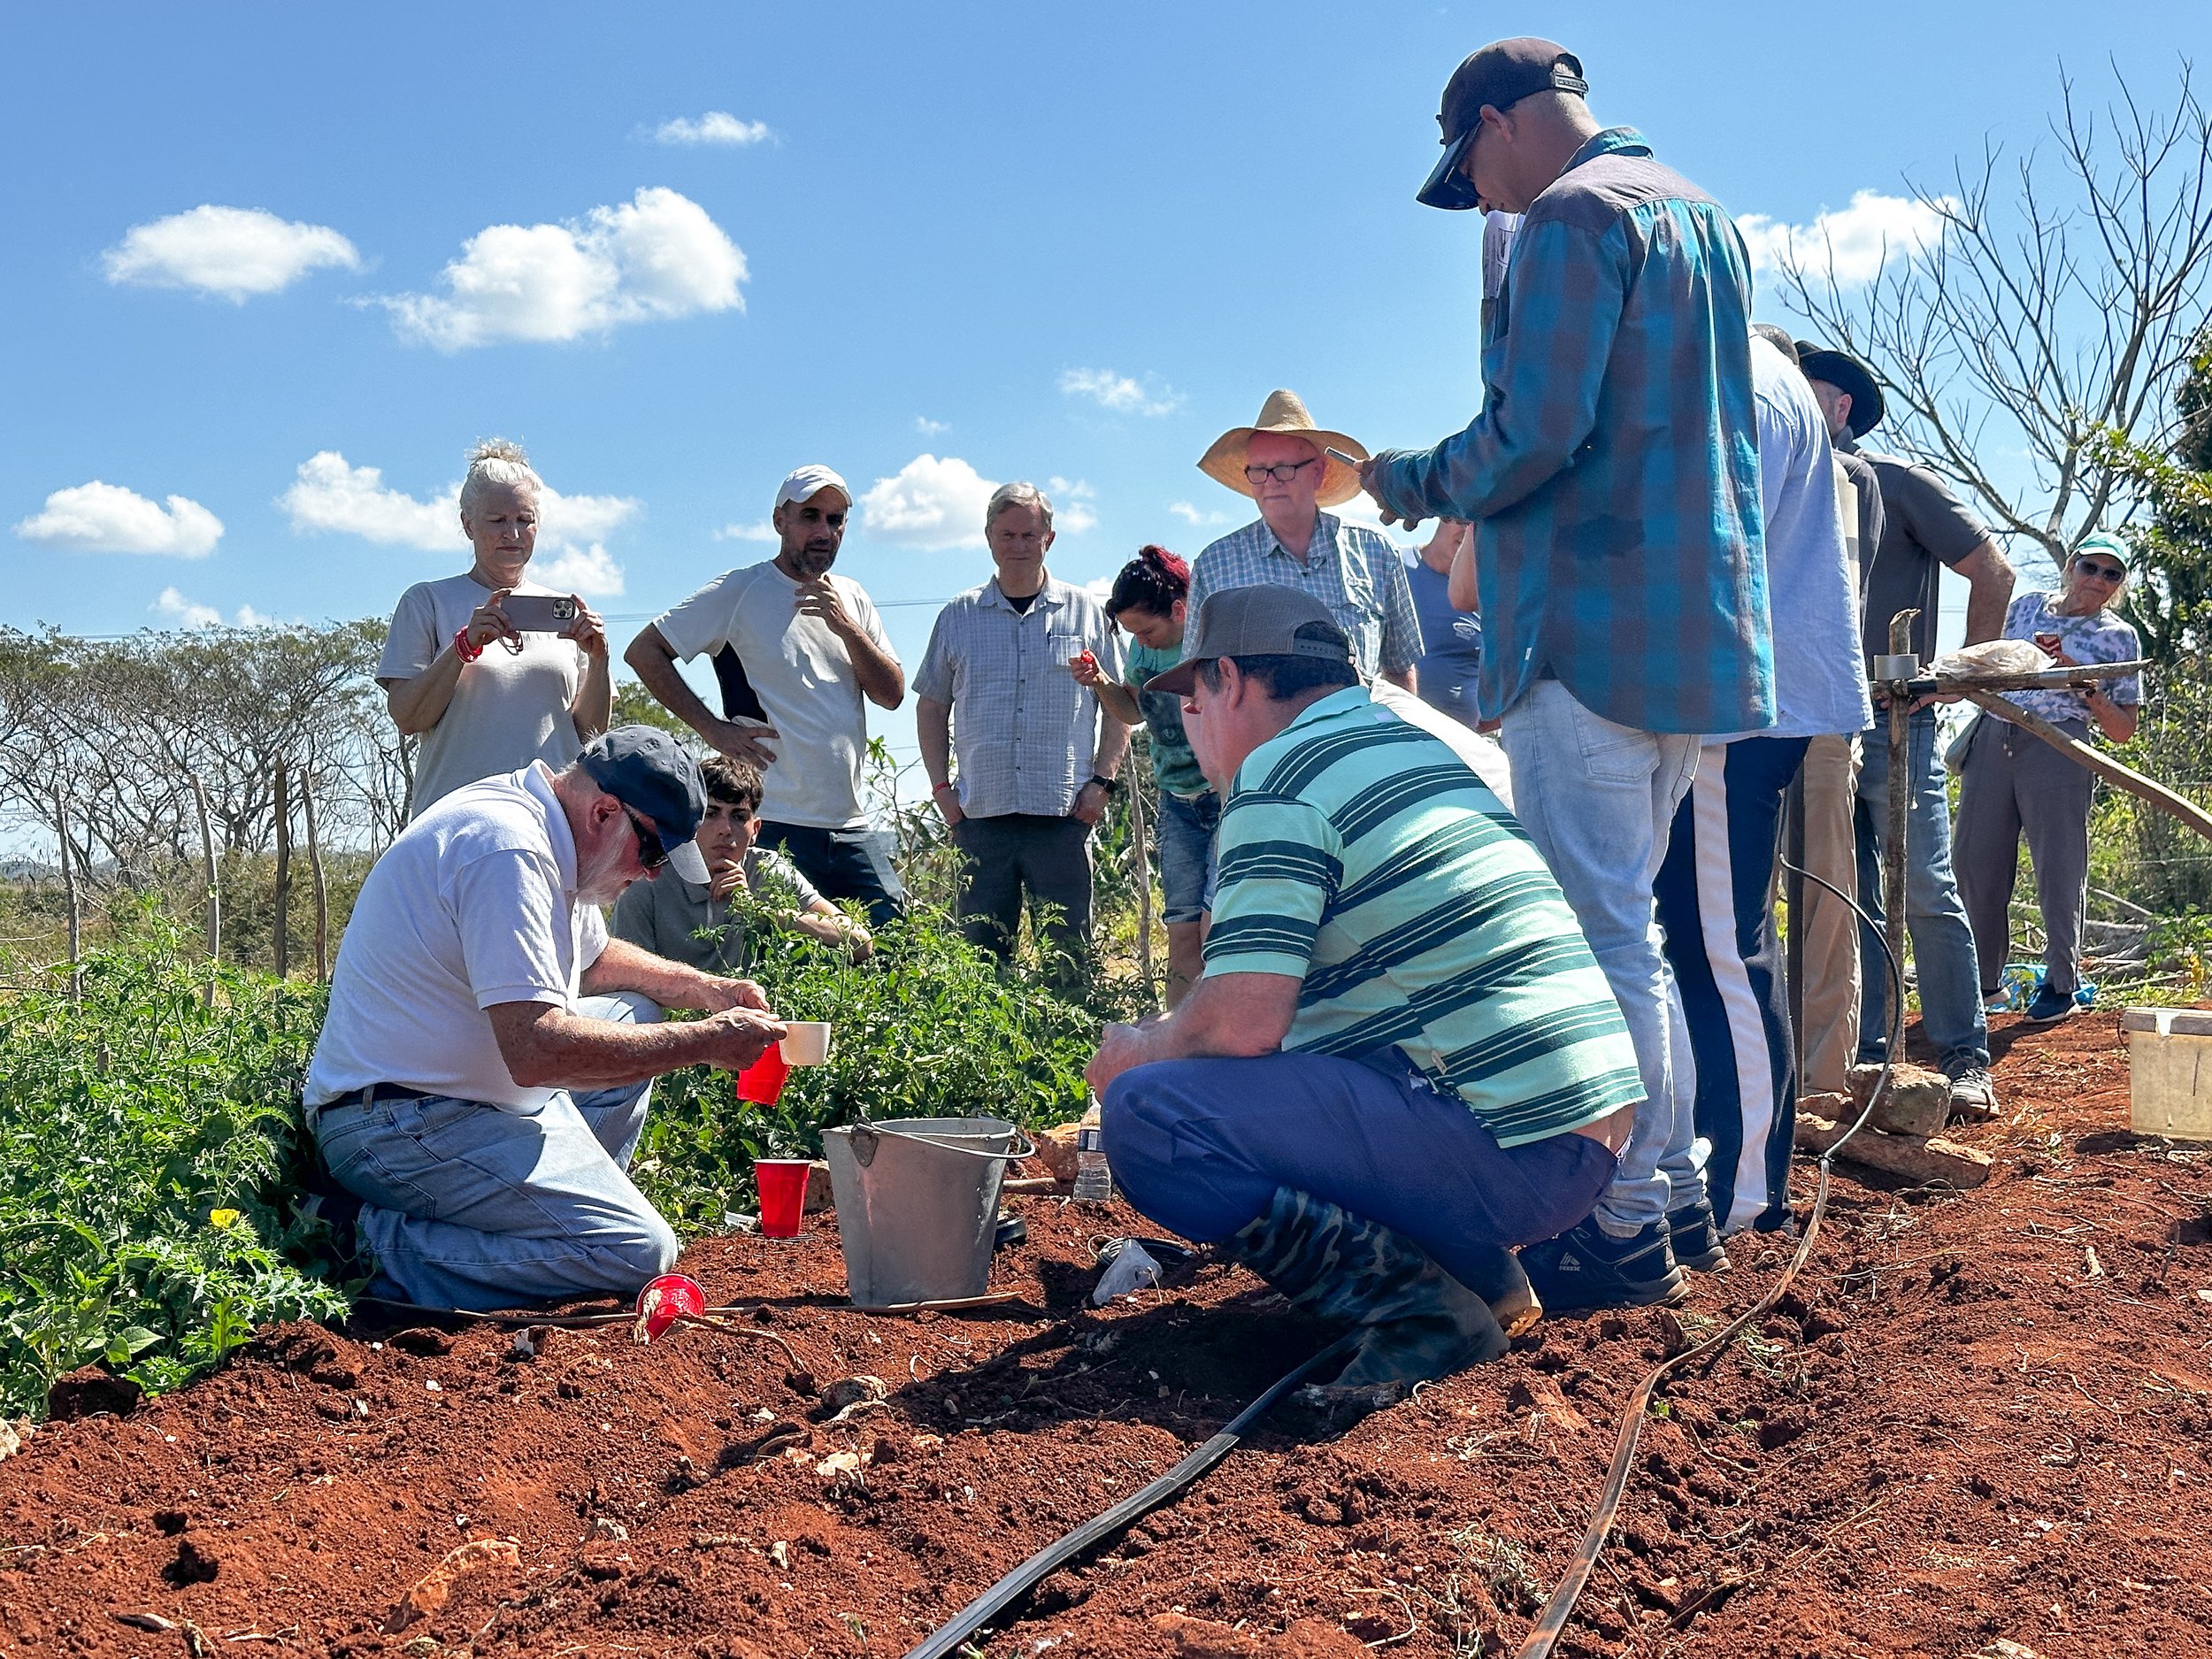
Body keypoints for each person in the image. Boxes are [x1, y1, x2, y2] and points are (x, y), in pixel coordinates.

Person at [1359, 38, 1772, 1310]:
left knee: (1601, 939)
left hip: (1588, 629)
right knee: (1638, 932)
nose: (1480, 200)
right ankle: (1680, 1197)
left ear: (1498, 123)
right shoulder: (1699, 213)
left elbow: (1535, 431)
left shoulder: (1568, 217)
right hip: (1693, 631)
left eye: (1471, 171)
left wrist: (1408, 480)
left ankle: (1627, 1213)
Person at [1087, 588, 1641, 1395]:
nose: (1191, 722)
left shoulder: (1279, 774)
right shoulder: (1403, 746)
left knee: (1153, 1114)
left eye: (1195, 697)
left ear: (1232, 680)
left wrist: (1139, 1051)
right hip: (1581, 1138)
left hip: (1512, 1145)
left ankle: (1421, 1315)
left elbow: (1239, 1024)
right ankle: (1477, 1275)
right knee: (1296, 1079)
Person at [303, 727, 787, 1311]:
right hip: (397, 1123)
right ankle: (357, 1243)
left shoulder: (552, 832)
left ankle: (550, 1230)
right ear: (606, 813)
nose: (654, 873)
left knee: (635, 1011)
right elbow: (536, 1051)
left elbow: (598, 959)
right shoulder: (510, 850)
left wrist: (709, 990)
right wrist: (704, 1042)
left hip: (460, 1103)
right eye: (654, 852)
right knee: (638, 1249)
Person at [1654, 331, 1870, 1242]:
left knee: (1716, 948)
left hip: (1733, 715)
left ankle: (1742, 1193)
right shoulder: (1776, 393)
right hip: (1754, 706)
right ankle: (1739, 1173)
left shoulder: (1741, 383)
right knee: (1721, 941)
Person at [1796, 343, 2015, 1113]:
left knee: (1923, 881)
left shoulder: (1892, 482)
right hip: (1817, 722)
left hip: (1898, 719)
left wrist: (1954, 671)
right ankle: (1869, 1051)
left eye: (1801, 389)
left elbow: (1994, 571)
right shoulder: (1787, 488)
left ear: (1838, 405)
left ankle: (1964, 1054)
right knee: (1843, 891)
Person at [625, 465, 906, 929]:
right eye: (810, 516)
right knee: (779, 961)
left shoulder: (853, 598)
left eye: (836, 521)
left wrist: (845, 627)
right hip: (771, 823)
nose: (824, 532)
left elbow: (891, 694)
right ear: (780, 520)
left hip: (850, 824)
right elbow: (644, 652)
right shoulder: (740, 590)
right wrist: (712, 728)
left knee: (892, 948)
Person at [915, 482, 1127, 985]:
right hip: (980, 815)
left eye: (1028, 534)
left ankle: (1074, 1057)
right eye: (1006, 534)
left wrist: (1103, 783)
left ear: (1048, 538)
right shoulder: (958, 616)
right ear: (989, 538)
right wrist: (942, 792)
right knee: (981, 969)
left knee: (1069, 965)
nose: (1017, 545)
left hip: (1063, 814)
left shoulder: (1086, 612)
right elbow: (930, 706)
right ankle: (987, 1063)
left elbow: (1118, 705)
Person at [1955, 534, 2141, 1025]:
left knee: (2060, 867)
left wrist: (2085, 685)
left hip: (2060, 744)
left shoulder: (2118, 637)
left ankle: (2062, 984)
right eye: (2091, 567)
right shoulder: (2027, 608)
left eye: (2111, 574)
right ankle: (1985, 985)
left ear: (2119, 584)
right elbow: (1991, 661)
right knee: (1976, 863)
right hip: (1997, 733)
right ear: (2071, 566)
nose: (2097, 580)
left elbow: (2123, 730)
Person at [380, 441, 612, 817]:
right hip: (455, 820)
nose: (513, 533)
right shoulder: (427, 601)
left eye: (524, 519)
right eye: (497, 521)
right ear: (467, 523)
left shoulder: (564, 611)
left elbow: (589, 736)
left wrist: (600, 661)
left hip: (549, 821)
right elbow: (408, 717)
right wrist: (463, 647)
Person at [1785, 338, 1887, 1102]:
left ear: (1837, 405)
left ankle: (1823, 1075)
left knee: (1826, 887)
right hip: (1751, 706)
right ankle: (1766, 1067)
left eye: (1802, 385)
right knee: (1746, 891)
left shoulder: (1849, 477)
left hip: (1820, 705)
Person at [1187, 389, 1422, 692]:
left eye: (1284, 468)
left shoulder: (1375, 550)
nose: (1270, 482)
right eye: (1259, 470)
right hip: (1262, 740)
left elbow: (1400, 670)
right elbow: (1197, 684)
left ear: (1317, 472)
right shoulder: (1214, 565)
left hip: (1357, 734)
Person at [1073, 545, 1216, 1007]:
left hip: (1225, 796)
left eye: (1148, 630)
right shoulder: (1140, 650)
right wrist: (1100, 683)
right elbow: (1132, 711)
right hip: (1178, 803)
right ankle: (1179, 1046)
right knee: (1181, 930)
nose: (1143, 641)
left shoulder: (1209, 640)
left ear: (1179, 609)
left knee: (1219, 929)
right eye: (1134, 632)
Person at [611, 754, 872, 976]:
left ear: (755, 829)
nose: (726, 829)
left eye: (738, 817)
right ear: (689, 819)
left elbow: (860, 942)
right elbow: (627, 976)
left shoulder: (768, 870)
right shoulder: (650, 878)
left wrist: (762, 912)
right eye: (711, 814)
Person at [1402, 519, 1486, 728]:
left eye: (1478, 527)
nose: (1468, 534)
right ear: (1442, 515)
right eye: (1464, 521)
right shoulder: (1395, 565)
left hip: (1460, 743)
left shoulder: (1485, 593)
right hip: (1394, 736)